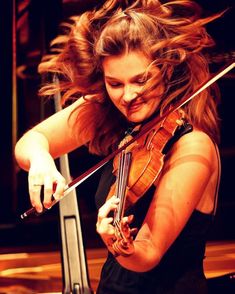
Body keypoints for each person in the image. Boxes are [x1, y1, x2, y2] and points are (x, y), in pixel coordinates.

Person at [15, 0, 222, 293]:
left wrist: (122, 245)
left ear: (166, 69)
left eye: (141, 80)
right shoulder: (111, 114)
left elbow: (148, 253)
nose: (128, 96)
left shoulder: (193, 146)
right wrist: (41, 161)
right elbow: (32, 141)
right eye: (115, 83)